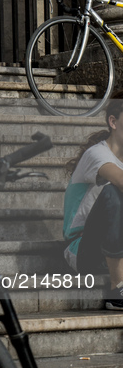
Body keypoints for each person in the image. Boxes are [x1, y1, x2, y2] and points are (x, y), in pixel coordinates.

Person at [63, 92, 123, 309]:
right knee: (113, 193)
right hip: (83, 249)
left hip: (114, 247)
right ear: (113, 122)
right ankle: (117, 290)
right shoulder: (96, 154)